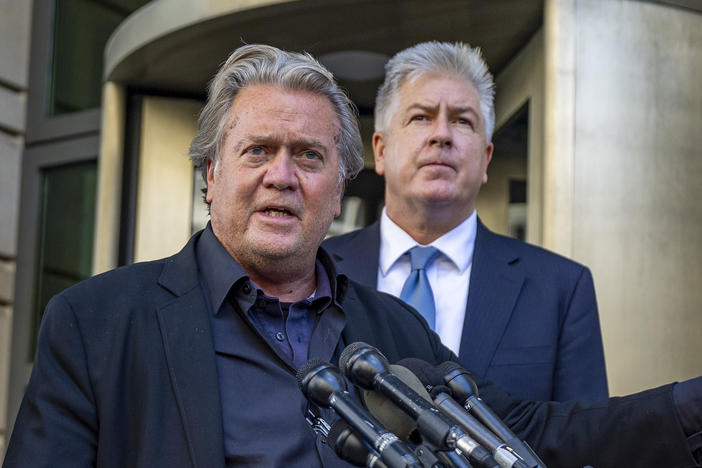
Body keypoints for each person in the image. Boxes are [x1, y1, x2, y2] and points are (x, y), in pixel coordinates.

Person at [3, 44, 700, 468]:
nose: (282, 175)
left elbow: (537, 429)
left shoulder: (392, 330)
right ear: (210, 174)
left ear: (339, 188)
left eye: (309, 156)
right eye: (257, 152)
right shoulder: (95, 325)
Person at [323, 41, 607, 402]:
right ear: (380, 150)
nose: (442, 135)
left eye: (462, 120)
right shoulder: (316, 270)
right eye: (421, 117)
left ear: (486, 158)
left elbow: (583, 439)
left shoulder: (560, 289)